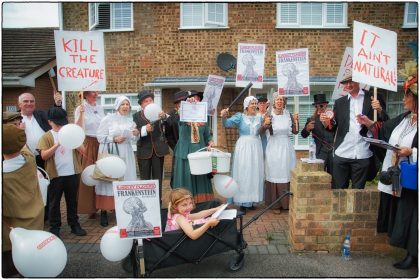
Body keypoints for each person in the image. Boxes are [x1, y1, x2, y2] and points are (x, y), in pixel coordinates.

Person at [357, 60, 418, 269]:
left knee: (413, 215)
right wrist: (369, 124)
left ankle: (413, 255)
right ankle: (411, 254)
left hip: (413, 175)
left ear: (416, 99)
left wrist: (413, 151)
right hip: (403, 179)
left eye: (406, 96)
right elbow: (385, 130)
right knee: (406, 215)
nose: (403, 100)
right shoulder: (405, 118)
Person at [320, 73, 388, 189]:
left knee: (358, 193)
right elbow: (334, 126)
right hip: (342, 152)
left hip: (363, 152)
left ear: (358, 82)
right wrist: (326, 122)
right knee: (339, 191)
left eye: (351, 81)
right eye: (346, 83)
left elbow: (385, 122)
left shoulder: (374, 97)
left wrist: (380, 109)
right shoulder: (340, 102)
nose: (348, 85)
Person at [36, 107, 87, 238]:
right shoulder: (46, 136)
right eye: (56, 123)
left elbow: (83, 150)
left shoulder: (70, 132)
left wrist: (74, 141)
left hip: (72, 173)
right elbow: (44, 156)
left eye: (61, 122)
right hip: (55, 175)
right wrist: (57, 144)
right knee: (54, 203)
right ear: (49, 122)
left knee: (72, 201)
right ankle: (54, 227)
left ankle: (74, 224)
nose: (59, 125)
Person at [2, 124, 45, 277]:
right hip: (35, 224)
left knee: (11, 267)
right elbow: (24, 147)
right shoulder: (29, 159)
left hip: (12, 234)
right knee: (33, 262)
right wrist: (21, 131)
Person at [96, 96, 140, 226]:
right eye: (123, 104)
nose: (126, 106)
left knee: (125, 179)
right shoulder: (108, 119)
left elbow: (134, 139)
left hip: (126, 153)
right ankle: (104, 211)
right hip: (111, 153)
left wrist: (136, 134)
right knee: (109, 181)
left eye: (127, 104)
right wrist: (114, 139)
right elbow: (99, 136)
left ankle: (121, 210)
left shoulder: (130, 122)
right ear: (117, 106)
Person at [18, 91, 62, 221]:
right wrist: (19, 131)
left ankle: (46, 215)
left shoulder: (41, 115)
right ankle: (31, 215)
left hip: (44, 157)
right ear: (19, 104)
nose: (29, 104)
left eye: (32, 101)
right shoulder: (15, 119)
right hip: (25, 159)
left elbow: (56, 116)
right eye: (26, 101)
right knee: (30, 188)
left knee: (48, 186)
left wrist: (57, 104)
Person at [221, 96, 264, 213]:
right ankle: (243, 201)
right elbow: (226, 124)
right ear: (246, 106)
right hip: (244, 147)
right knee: (243, 173)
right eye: (252, 104)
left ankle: (252, 200)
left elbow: (264, 134)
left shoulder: (260, 118)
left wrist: (265, 150)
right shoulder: (240, 117)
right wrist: (224, 116)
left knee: (254, 173)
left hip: (256, 147)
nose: (254, 106)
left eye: (255, 103)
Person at [172, 90, 215, 203]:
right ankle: (184, 203)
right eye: (194, 99)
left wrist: (210, 142)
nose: (196, 100)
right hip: (185, 153)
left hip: (200, 151)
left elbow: (207, 134)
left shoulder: (203, 118)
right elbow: (179, 122)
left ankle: (202, 203)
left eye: (198, 99)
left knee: (201, 179)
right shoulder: (181, 114)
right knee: (186, 178)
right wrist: (186, 107)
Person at [260, 93, 298, 214]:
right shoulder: (268, 115)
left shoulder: (288, 114)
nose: (280, 102)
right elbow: (260, 132)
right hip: (274, 147)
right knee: (275, 172)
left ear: (284, 102)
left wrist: (297, 121)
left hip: (287, 147)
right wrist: (265, 124)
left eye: (282, 100)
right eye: (278, 100)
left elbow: (296, 131)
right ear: (273, 102)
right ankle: (275, 204)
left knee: (287, 171)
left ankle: (287, 203)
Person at [133, 90, 170, 204]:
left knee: (158, 178)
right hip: (144, 150)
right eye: (146, 101)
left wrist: (164, 117)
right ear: (141, 104)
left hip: (158, 150)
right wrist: (144, 129)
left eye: (150, 100)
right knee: (145, 178)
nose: (149, 103)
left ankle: (157, 201)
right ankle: (145, 202)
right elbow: (133, 133)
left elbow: (170, 123)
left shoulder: (160, 114)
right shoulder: (136, 116)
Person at [74, 90, 105, 219]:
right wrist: (81, 114)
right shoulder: (80, 108)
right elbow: (77, 128)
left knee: (103, 174)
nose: (96, 94)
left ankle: (103, 205)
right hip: (89, 142)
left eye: (96, 91)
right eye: (93, 92)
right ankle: (90, 207)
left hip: (101, 143)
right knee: (90, 174)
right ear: (85, 94)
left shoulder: (100, 107)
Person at [301, 93, 335, 177]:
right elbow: (303, 135)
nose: (319, 108)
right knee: (320, 176)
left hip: (333, 151)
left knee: (334, 177)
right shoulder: (311, 119)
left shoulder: (332, 117)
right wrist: (307, 128)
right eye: (316, 106)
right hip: (320, 152)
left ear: (326, 105)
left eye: (321, 106)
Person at [166, 90, 189, 188]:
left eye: (184, 101)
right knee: (178, 171)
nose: (181, 104)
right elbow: (168, 135)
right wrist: (176, 147)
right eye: (179, 102)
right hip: (178, 149)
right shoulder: (170, 116)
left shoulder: (193, 113)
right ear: (176, 104)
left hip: (192, 148)